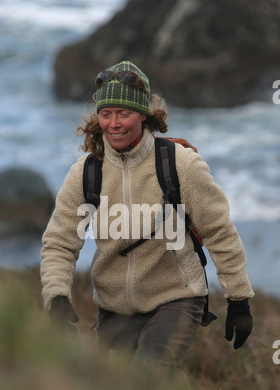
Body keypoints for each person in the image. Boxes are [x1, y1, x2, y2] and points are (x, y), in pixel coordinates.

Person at [40, 60, 254, 368]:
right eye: (106, 113)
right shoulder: (86, 174)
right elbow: (60, 242)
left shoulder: (179, 164)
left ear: (143, 114)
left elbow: (219, 231)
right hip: (114, 309)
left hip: (176, 298)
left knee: (149, 375)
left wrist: (239, 299)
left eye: (123, 113)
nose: (114, 123)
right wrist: (56, 296)